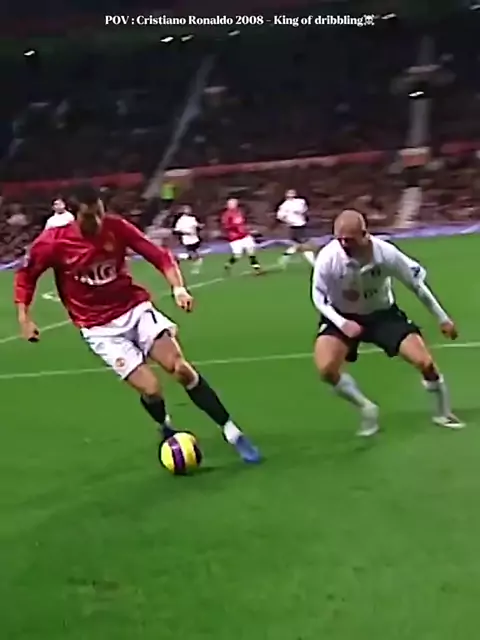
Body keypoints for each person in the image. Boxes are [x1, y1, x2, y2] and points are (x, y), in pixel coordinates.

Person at [14, 185, 261, 464]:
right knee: (151, 389)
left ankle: (232, 431)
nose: (97, 221)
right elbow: (26, 276)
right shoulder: (53, 242)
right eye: (89, 216)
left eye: (99, 212)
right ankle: (165, 425)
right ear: (74, 216)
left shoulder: (115, 227)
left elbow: (158, 255)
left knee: (180, 368)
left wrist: (178, 288)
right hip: (100, 329)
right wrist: (25, 317)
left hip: (135, 309)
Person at [311, 209, 463, 437]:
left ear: (365, 234)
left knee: (425, 363)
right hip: (342, 315)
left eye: (349, 239)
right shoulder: (328, 257)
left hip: (382, 315)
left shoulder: (386, 254)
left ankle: (443, 412)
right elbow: (318, 296)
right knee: (326, 369)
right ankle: (367, 408)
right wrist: (342, 323)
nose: (343, 244)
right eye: (339, 238)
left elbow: (416, 286)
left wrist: (443, 318)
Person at [221, 198, 262, 275]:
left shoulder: (239, 212)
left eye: (235, 203)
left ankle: (257, 268)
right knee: (237, 255)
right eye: (231, 204)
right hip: (235, 238)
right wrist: (235, 228)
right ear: (228, 205)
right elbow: (226, 226)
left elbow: (242, 224)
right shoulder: (226, 215)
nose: (233, 205)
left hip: (245, 236)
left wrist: (248, 230)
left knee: (251, 252)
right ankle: (228, 264)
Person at [276, 189, 316, 268]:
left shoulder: (297, 202)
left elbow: (302, 210)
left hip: (298, 226)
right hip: (296, 227)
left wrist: (288, 219)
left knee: (298, 245)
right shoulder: (286, 205)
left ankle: (284, 258)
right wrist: (288, 220)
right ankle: (315, 264)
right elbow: (280, 216)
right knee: (304, 246)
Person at [173, 205, 203, 275]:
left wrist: (200, 226)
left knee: (197, 255)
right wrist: (186, 233)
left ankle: (195, 268)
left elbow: (197, 225)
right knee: (194, 255)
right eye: (187, 209)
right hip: (187, 240)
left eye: (189, 209)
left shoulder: (192, 218)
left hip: (195, 239)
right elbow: (176, 231)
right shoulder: (180, 221)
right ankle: (180, 258)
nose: (189, 211)